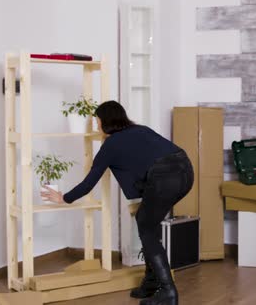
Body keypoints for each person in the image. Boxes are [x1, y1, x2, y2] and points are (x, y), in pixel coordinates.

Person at [41, 101, 192, 305]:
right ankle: (151, 281)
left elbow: (89, 182)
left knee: (147, 226)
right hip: (185, 171)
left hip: (164, 178)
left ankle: (168, 292)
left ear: (105, 121)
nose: (96, 125)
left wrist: (64, 198)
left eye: (97, 121)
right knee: (146, 221)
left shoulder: (110, 145)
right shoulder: (141, 130)